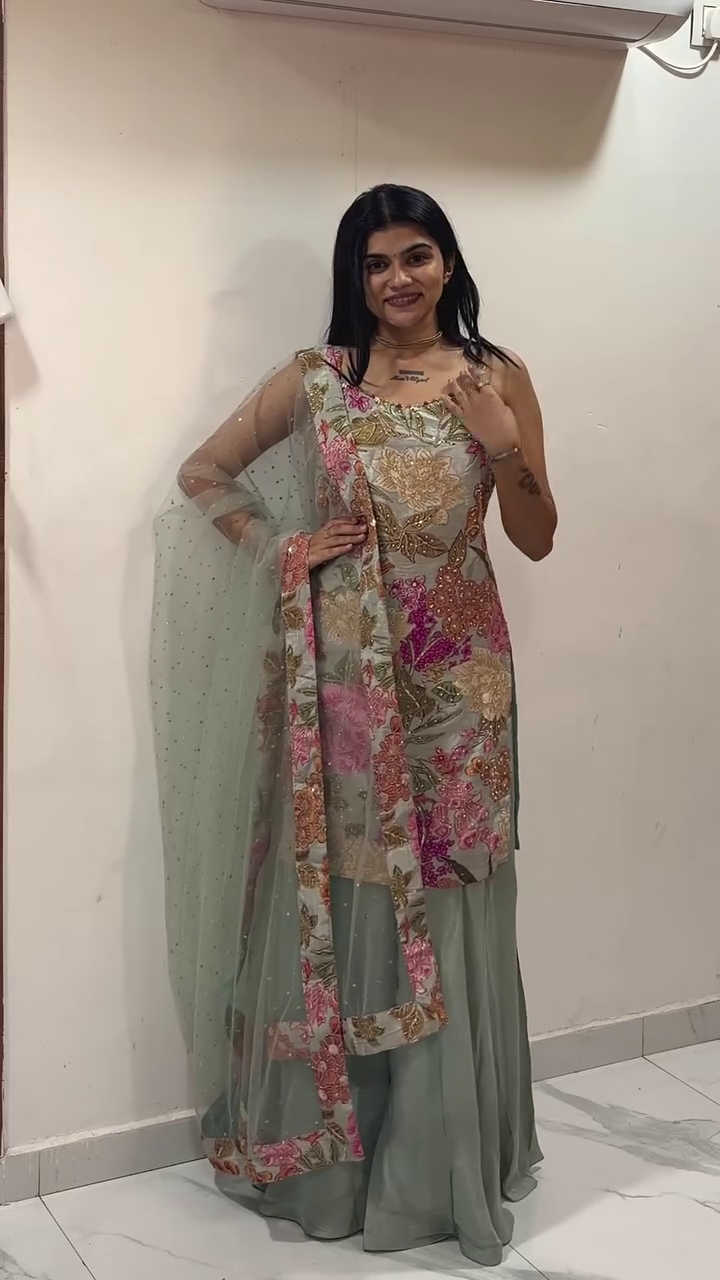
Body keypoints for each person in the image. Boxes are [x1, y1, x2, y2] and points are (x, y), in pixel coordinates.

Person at [151, 184, 556, 1267]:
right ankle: (343, 1165)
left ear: (447, 261)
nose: (397, 279)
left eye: (416, 255)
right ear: (356, 278)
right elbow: (203, 475)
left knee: (455, 896)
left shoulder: (496, 376)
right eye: (375, 263)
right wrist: (283, 549)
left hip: (462, 692)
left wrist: (504, 444)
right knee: (355, 896)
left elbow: (537, 534)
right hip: (346, 683)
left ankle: (442, 1167)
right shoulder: (319, 378)